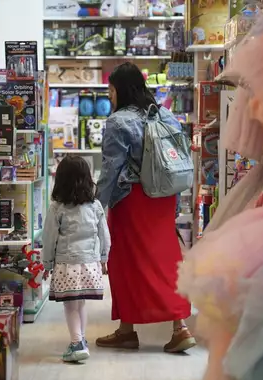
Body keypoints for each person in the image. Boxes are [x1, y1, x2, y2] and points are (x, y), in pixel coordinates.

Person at [95, 62, 196, 353]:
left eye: (111, 89)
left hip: (133, 200)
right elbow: (178, 159)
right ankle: (176, 326)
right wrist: (175, 204)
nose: (110, 96)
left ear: (120, 89)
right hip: (164, 198)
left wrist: (97, 207)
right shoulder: (165, 114)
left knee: (124, 262)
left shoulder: (118, 122)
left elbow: (111, 170)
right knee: (166, 260)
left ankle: (131, 329)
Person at [42, 155, 111, 363]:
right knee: (80, 305)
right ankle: (81, 339)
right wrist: (103, 257)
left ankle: (76, 343)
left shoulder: (57, 208)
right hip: (90, 263)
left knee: (70, 306)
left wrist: (47, 263)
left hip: (67, 263)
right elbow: (104, 235)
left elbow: (49, 237)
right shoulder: (95, 205)